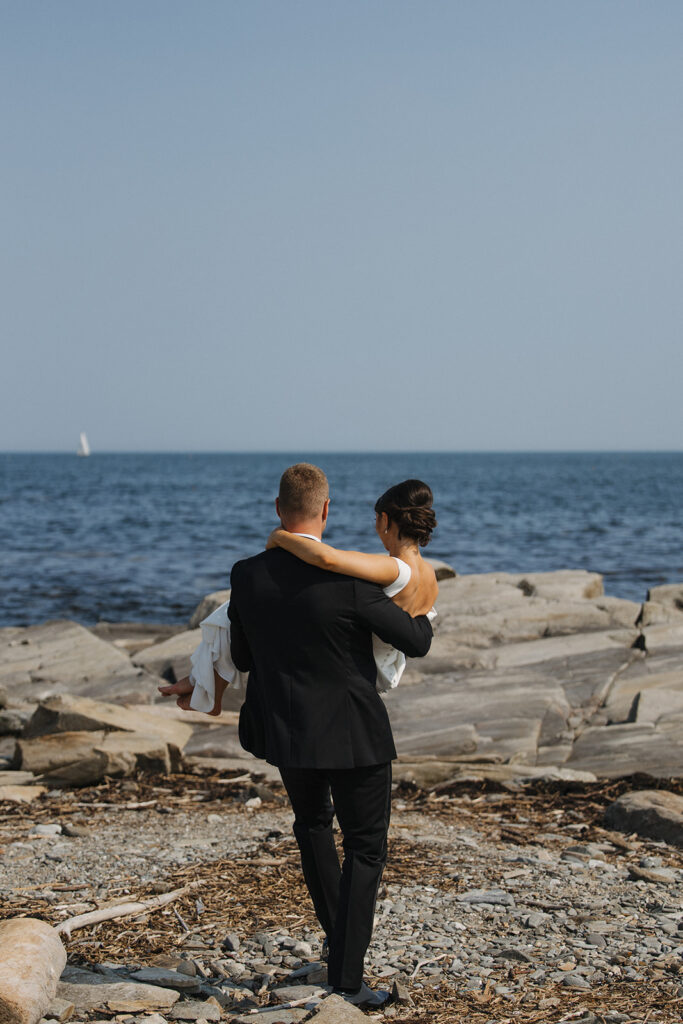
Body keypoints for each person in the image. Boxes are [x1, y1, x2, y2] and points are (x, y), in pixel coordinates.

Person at [228, 464, 434, 1007]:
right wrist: (427, 609)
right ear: (325, 511)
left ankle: (339, 946)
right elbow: (415, 641)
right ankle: (347, 979)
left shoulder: (246, 575)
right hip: (354, 736)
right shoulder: (351, 581)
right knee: (366, 850)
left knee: (313, 828)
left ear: (279, 509)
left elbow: (243, 656)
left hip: (288, 734)